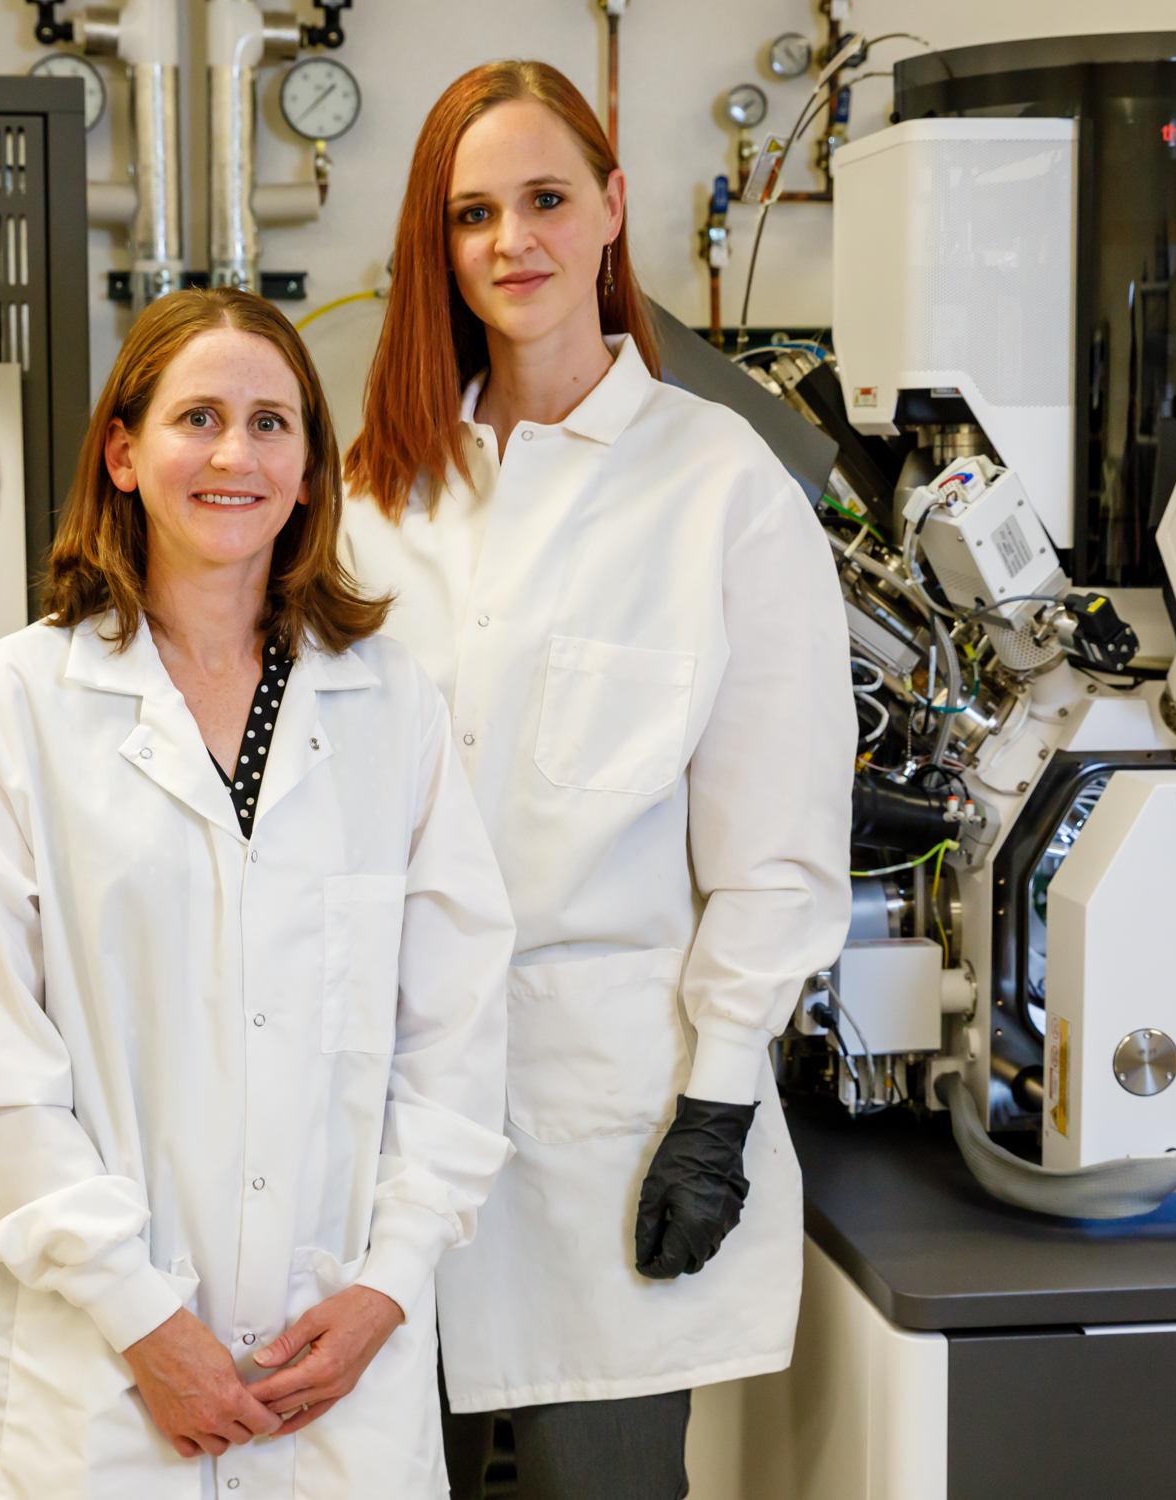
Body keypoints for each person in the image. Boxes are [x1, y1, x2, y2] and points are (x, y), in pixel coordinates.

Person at [340, 61, 858, 1499]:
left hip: (613, 1138)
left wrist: (718, 1106)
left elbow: (777, 849)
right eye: (474, 214)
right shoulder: (376, 494)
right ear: (437, 249)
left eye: (549, 200)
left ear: (615, 210)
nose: (515, 243)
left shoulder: (722, 489)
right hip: (379, 1146)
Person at [0, 287, 517, 1500]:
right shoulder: (7, 708)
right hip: (95, 1387)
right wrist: (146, 1323)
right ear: (125, 455)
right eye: (198, 417)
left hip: (334, 1370)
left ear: (308, 472)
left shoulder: (392, 703)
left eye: (271, 423)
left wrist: (387, 1287)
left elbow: (456, 1032)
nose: (236, 454)